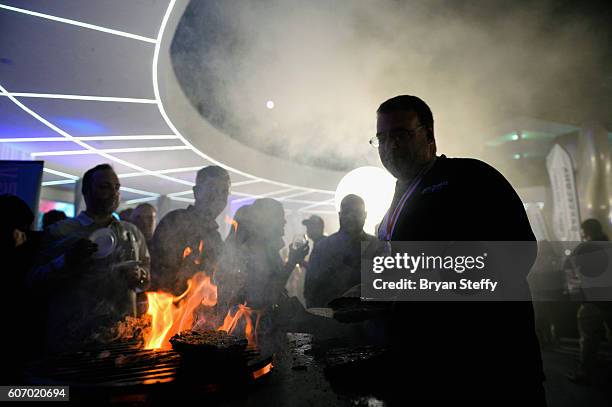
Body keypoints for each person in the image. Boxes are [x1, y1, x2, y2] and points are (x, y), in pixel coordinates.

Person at [358, 95, 544, 405]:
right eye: (382, 138)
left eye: (401, 135)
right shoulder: (393, 203)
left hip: (491, 372)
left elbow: (519, 255)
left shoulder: (470, 178)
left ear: (429, 135)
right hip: (424, 372)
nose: (390, 147)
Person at [30, 164, 150, 353]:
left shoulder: (132, 234)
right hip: (72, 341)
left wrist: (140, 277)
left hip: (122, 341)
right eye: (104, 187)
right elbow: (34, 282)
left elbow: (146, 279)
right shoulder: (61, 232)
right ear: (86, 191)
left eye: (116, 188)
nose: (113, 193)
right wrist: (66, 260)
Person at [150, 165, 230, 294]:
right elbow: (157, 273)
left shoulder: (215, 237)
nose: (218, 197)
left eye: (224, 192)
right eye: (212, 189)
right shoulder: (175, 222)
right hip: (168, 309)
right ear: (197, 192)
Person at [304, 194, 382, 308]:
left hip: (367, 321)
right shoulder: (323, 248)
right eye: (347, 212)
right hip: (332, 321)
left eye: (356, 213)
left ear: (365, 215)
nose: (351, 217)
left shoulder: (377, 246)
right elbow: (310, 291)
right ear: (340, 215)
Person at [566, 218, 612, 384]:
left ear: (585, 232)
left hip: (592, 302)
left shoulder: (583, 248)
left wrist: (574, 292)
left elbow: (568, 267)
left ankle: (584, 372)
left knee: (588, 339)